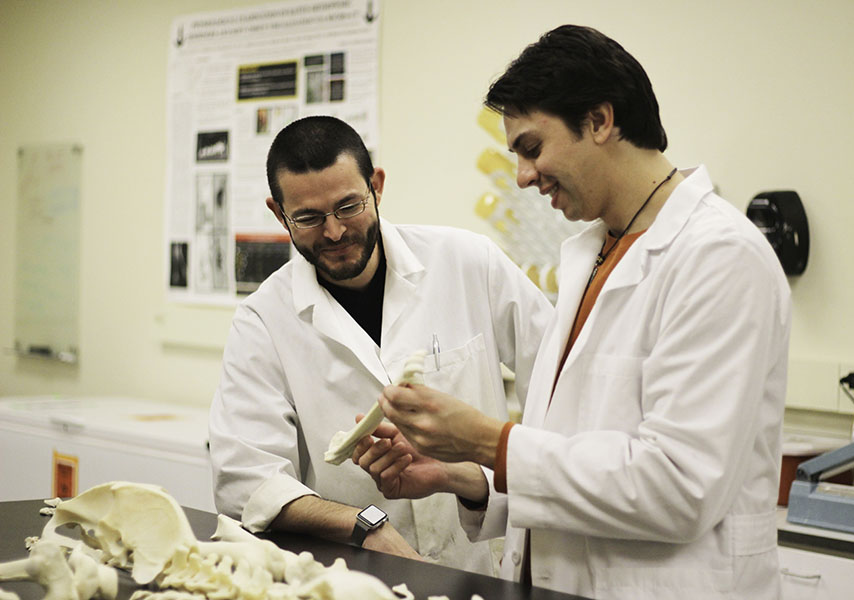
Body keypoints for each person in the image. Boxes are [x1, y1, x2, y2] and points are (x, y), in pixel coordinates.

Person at [355, 25, 791, 598]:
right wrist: (461, 475)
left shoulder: (718, 257)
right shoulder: (594, 251)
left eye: (533, 148)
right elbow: (578, 457)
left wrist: (490, 440)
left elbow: (679, 487)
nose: (523, 176)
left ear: (601, 120)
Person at [208, 115, 552, 575]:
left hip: (483, 565)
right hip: (357, 576)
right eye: (308, 217)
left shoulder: (468, 262)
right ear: (278, 213)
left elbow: (559, 387)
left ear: (377, 186)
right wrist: (365, 526)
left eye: (348, 206)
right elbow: (246, 481)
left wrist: (480, 478)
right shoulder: (264, 320)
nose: (333, 232)